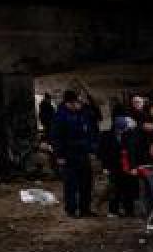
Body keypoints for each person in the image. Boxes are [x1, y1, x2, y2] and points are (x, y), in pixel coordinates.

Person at [50, 90, 99, 218]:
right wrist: (59, 156)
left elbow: (90, 132)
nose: (80, 104)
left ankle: (85, 209)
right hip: (68, 155)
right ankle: (71, 210)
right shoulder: (60, 117)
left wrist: (92, 150)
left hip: (83, 154)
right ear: (69, 103)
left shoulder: (83, 114)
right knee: (71, 185)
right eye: (78, 102)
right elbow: (56, 138)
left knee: (86, 183)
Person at [97, 116, 139, 218]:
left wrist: (133, 167)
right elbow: (102, 153)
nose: (122, 131)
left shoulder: (129, 134)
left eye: (124, 129)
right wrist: (105, 167)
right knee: (115, 189)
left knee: (128, 189)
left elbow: (132, 152)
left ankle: (129, 211)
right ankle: (113, 210)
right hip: (113, 166)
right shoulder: (106, 135)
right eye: (120, 129)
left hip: (127, 166)